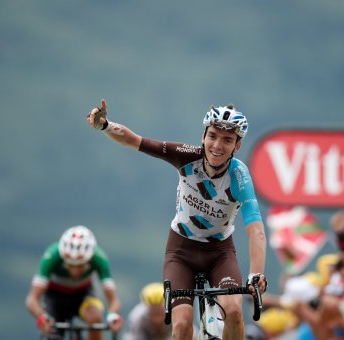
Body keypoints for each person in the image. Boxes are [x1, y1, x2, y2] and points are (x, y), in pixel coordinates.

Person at [86, 99, 268, 340]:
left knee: (234, 311)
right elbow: (136, 141)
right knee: (181, 327)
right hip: (182, 250)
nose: (217, 145)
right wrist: (105, 126)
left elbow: (256, 229)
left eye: (227, 140)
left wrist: (256, 275)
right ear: (203, 136)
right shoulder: (186, 156)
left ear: (237, 146)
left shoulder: (239, 176)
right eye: (212, 136)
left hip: (220, 252)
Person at [25, 225, 123, 340]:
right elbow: (32, 299)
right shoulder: (52, 256)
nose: (74, 272)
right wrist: (41, 316)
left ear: (89, 258)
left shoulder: (99, 258)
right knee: (52, 332)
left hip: (83, 295)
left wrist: (112, 315)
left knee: (95, 318)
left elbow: (113, 299)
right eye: (70, 265)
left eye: (80, 265)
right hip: (55, 298)